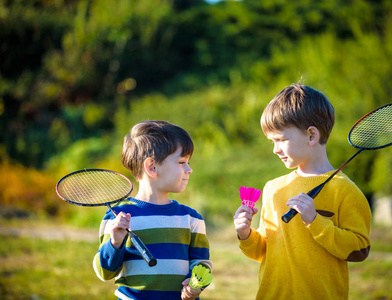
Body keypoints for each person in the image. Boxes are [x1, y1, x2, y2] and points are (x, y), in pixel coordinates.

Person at [233, 84, 371, 299]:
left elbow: (359, 251)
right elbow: (262, 251)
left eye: (281, 139)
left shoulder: (345, 190)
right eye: (272, 141)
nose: (275, 149)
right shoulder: (273, 189)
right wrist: (245, 234)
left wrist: (315, 221)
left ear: (311, 136)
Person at [93, 120, 212, 300]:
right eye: (181, 162)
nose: (189, 169)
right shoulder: (118, 217)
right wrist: (115, 243)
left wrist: (195, 284)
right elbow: (105, 272)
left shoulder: (191, 218)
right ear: (152, 167)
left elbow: (202, 263)